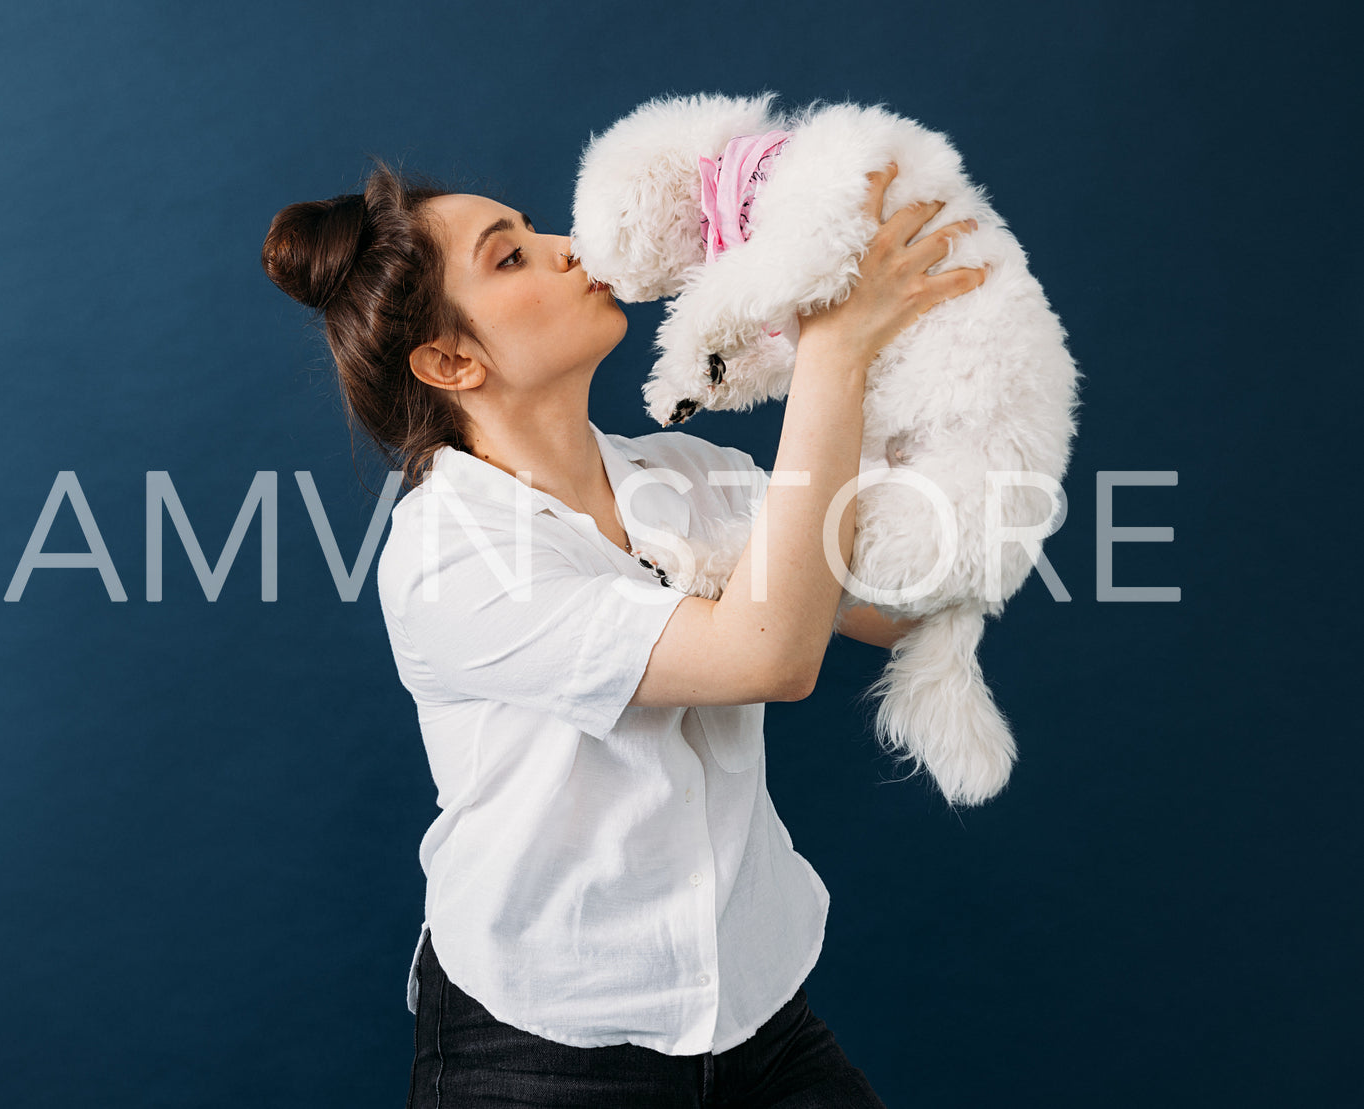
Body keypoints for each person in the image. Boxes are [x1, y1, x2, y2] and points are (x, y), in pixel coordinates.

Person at [262, 156, 987, 1108]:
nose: (570, 249)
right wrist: (833, 352)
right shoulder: (448, 554)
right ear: (450, 361)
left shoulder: (687, 472)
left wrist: (932, 371)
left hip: (757, 1015)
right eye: (512, 258)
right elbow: (768, 653)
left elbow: (897, 605)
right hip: (545, 1051)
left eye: (536, 229)